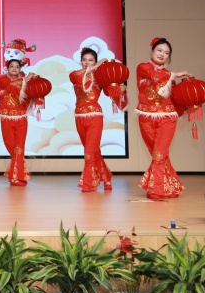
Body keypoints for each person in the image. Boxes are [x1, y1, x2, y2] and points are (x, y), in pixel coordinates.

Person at [136, 37, 191, 200]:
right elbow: (156, 75)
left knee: (159, 154)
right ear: (152, 51)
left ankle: (156, 189)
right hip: (146, 117)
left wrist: (189, 100)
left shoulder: (170, 79)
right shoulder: (143, 67)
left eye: (166, 53)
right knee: (158, 155)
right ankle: (171, 186)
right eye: (159, 50)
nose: (162, 54)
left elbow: (175, 99)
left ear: (169, 57)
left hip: (167, 118)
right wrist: (175, 74)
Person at [69, 48, 126, 193]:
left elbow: (109, 92)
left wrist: (119, 88)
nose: (87, 62)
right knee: (93, 151)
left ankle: (88, 183)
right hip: (79, 117)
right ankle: (106, 178)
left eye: (91, 60)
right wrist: (98, 64)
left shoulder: (100, 77)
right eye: (84, 60)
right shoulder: (74, 74)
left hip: (95, 116)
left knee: (89, 151)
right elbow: (81, 76)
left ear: (94, 61)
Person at [0, 59, 34, 186]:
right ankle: (15, 174)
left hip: (21, 118)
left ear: (20, 69)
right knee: (11, 147)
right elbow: (11, 87)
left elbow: (30, 94)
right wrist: (26, 79)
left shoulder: (24, 82)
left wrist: (35, 84)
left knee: (19, 149)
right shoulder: (2, 80)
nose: (14, 68)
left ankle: (18, 177)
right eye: (11, 66)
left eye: (17, 67)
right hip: (6, 118)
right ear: (7, 68)